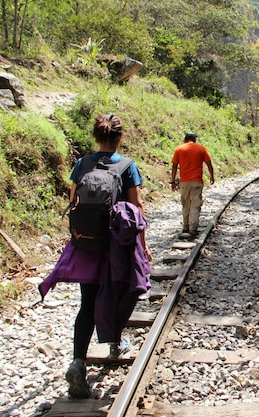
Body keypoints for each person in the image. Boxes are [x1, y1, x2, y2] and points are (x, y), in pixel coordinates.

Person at [38, 113, 152, 399]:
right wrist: (143, 244)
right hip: (116, 247)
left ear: (96, 136)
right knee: (121, 292)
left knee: (86, 304)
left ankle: (78, 362)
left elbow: (73, 200)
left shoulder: (82, 164)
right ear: (119, 138)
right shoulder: (127, 166)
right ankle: (115, 343)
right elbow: (136, 208)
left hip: (86, 246)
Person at [170, 132, 215, 238]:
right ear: (194, 140)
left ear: (185, 139)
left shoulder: (179, 149)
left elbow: (174, 166)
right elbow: (209, 164)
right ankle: (192, 229)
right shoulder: (201, 149)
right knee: (195, 204)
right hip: (197, 182)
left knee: (185, 203)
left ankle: (185, 227)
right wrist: (212, 176)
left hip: (184, 182)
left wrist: (173, 181)